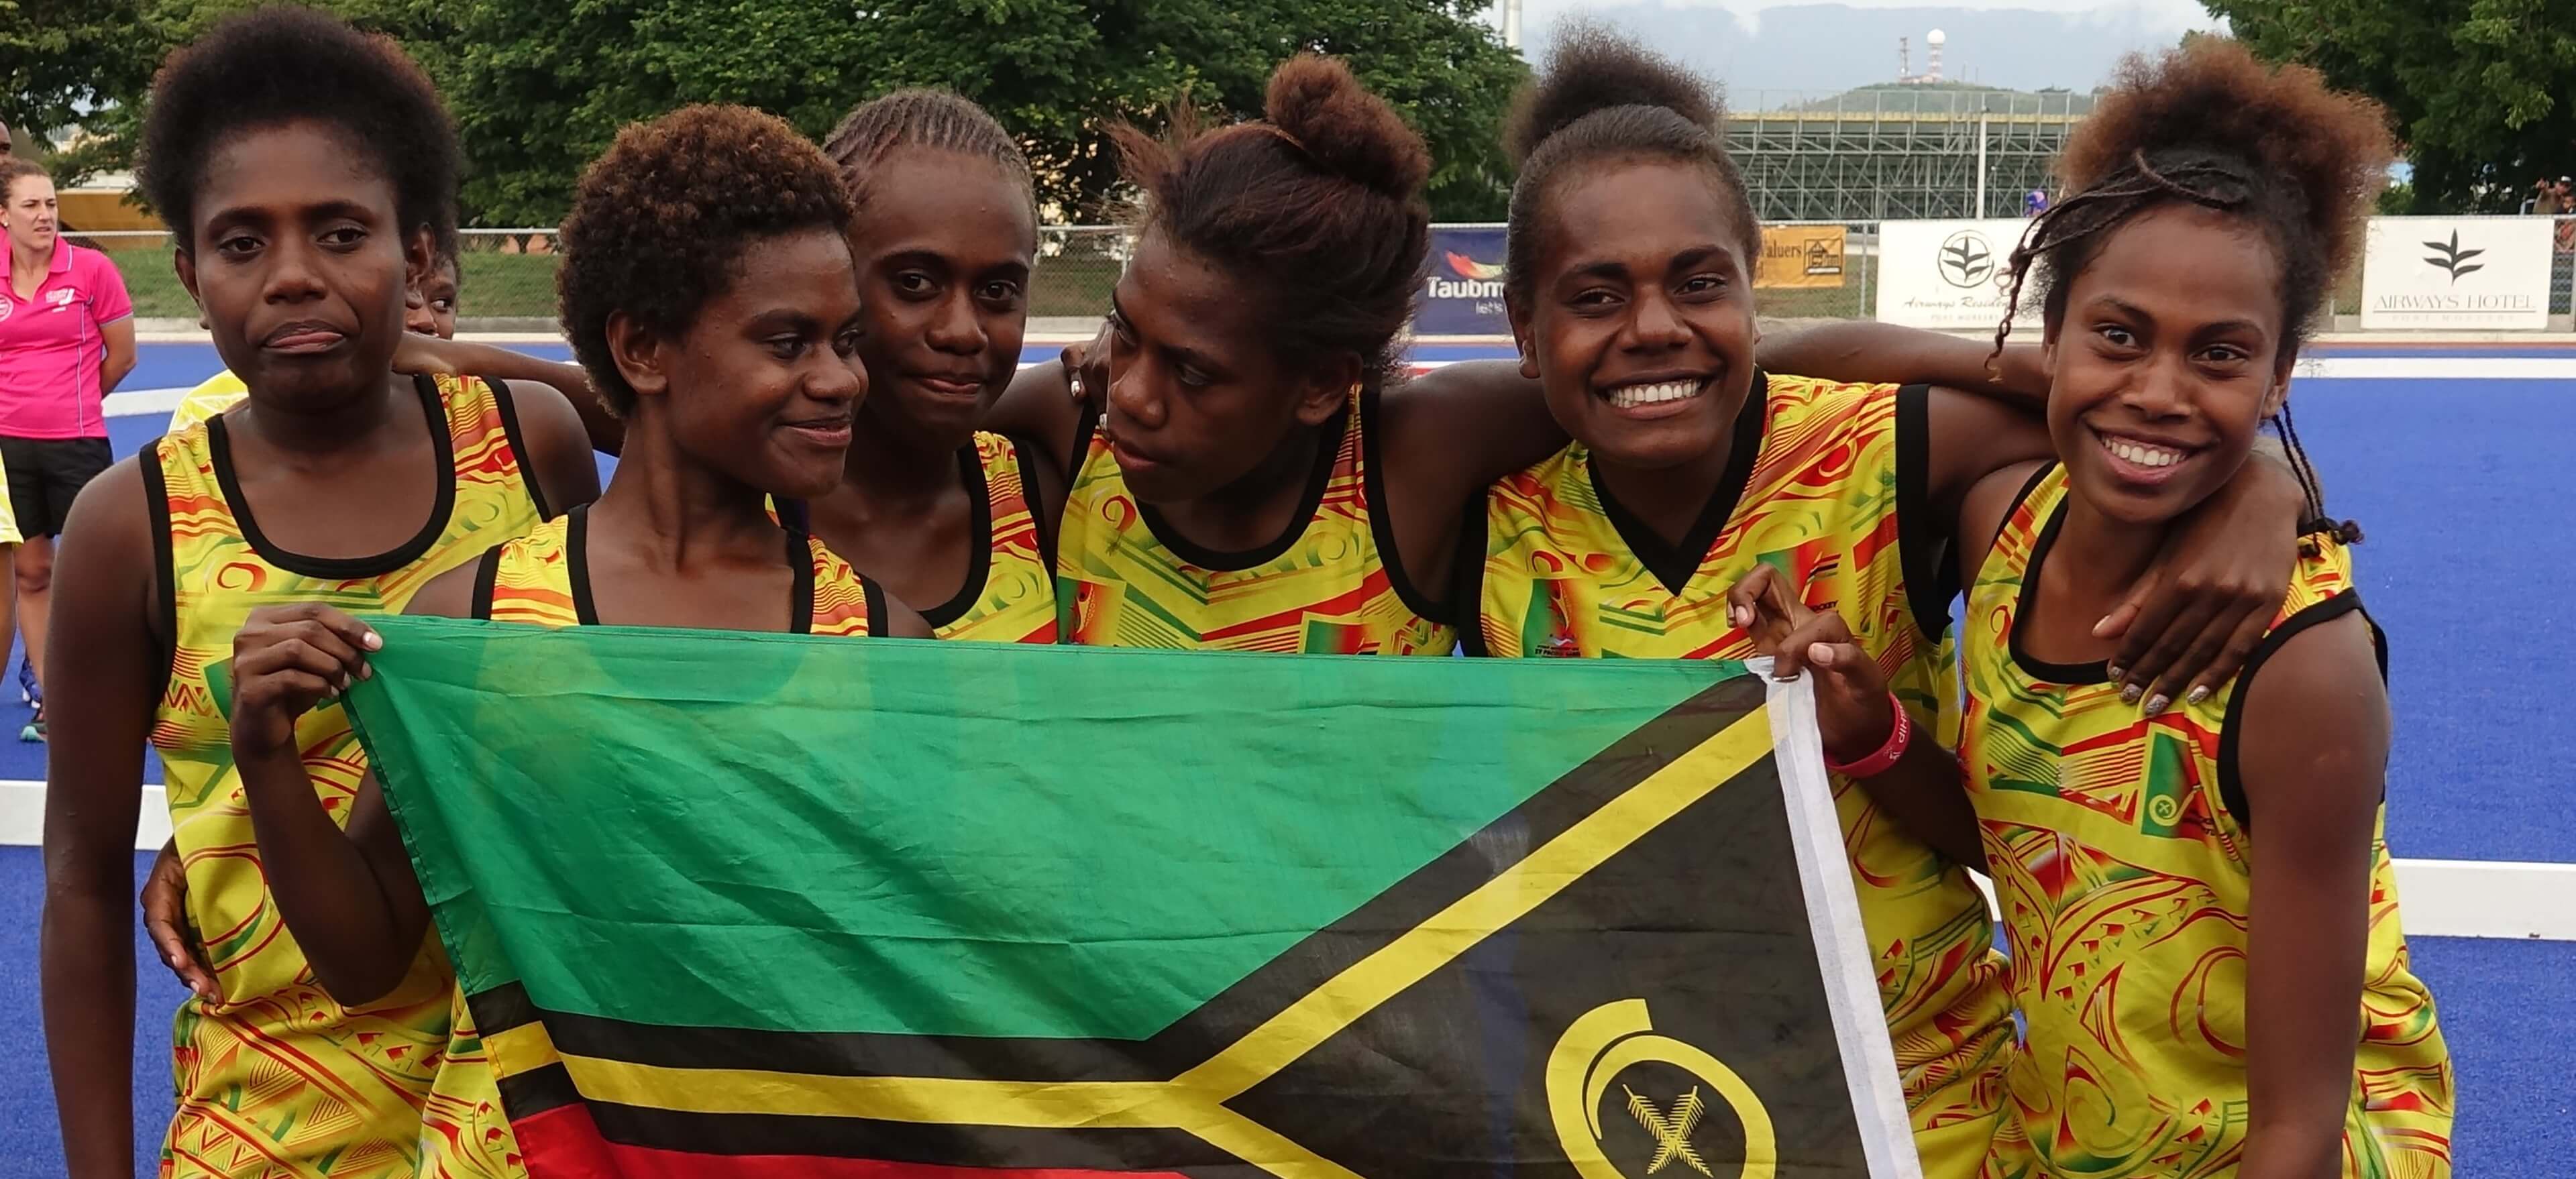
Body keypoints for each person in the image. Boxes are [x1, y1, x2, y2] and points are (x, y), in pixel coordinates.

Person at [1450, 27, 2315, 1177]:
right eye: (1596, 295)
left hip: (1914, 1089)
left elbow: (2122, 419)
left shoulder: (1895, 450)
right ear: (1522, 328)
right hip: (1624, 1085)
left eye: (1701, 283)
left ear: (1753, 293)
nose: (1653, 325)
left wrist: (2270, 478)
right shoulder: (1475, 506)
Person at [1748, 40, 2452, 1178]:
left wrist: (2180, 422)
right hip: (2074, 1133)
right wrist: (1872, 733)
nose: (2161, 389)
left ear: (2279, 380)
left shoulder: (2304, 671)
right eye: (2119, 333)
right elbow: (2033, 848)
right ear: (2049, 334)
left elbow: (2297, 1127)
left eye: (2219, 355)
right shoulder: (2004, 526)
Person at [224, 101, 927, 1177]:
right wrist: (266, 759)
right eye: (787, 342)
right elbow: (367, 960)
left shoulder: (889, 643)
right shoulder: (478, 624)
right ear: (642, 347)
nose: (840, 380)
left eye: (848, 342)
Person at [38, 9, 600, 1177]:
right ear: (190, 274)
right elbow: (83, 882)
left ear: (422, 253)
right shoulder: (129, 527)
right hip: (274, 1123)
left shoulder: (527, 448)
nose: (294, 274)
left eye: (342, 231)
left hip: (534, 1115)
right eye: (242, 243)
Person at [994, 54, 1570, 654]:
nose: (1132, 395)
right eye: (1126, 327)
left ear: (1321, 384)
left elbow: (1614, 381)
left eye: (1191, 371)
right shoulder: (1077, 418)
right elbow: (906, 412)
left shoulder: (1412, 459)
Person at [796, 89, 1063, 642]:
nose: (963, 331)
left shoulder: (1045, 499)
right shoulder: (737, 498)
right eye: (915, 282)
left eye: (998, 289)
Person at [2, 155, 136, 740]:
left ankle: (112, 687)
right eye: (31, 205)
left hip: (77, 440)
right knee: (32, 570)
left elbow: (123, 355)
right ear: (2, 215)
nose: (45, 216)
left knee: (97, 573)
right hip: (8, 446)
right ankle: (54, 701)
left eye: (51, 204)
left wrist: (77, 397)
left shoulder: (93, 270)